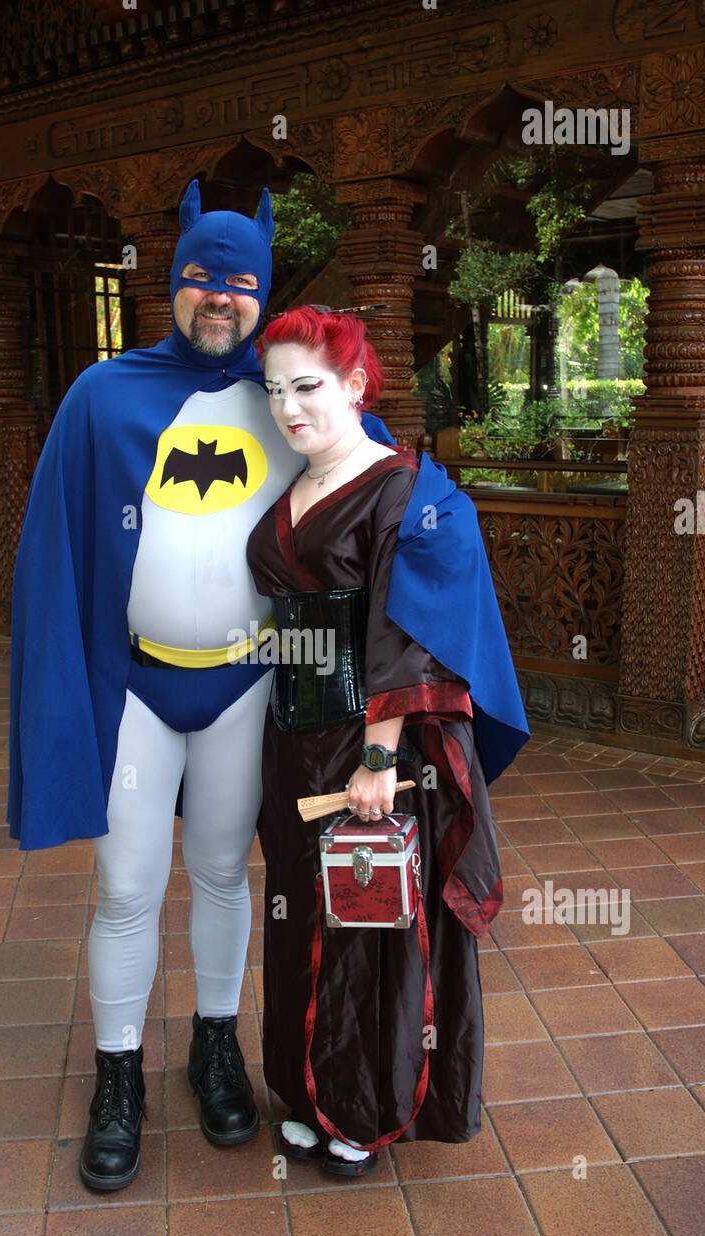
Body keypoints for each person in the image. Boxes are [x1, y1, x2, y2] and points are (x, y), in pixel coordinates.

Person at [7, 184, 395, 1192]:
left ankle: (214, 1043)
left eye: (237, 283)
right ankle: (117, 1072)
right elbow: (52, 547)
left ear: (261, 292)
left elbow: (380, 489)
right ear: (170, 285)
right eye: (198, 280)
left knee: (226, 873)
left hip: (247, 687)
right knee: (126, 883)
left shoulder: (295, 397)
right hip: (134, 685)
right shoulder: (103, 395)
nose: (216, 299)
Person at [246, 306, 529, 1176]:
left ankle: (363, 1110)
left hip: (373, 746)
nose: (289, 408)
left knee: (365, 924)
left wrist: (378, 754)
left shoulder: (406, 490)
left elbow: (403, 631)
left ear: (356, 385)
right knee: (302, 908)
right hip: (295, 738)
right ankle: (311, 1091)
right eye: (274, 391)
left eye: (307, 387)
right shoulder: (296, 484)